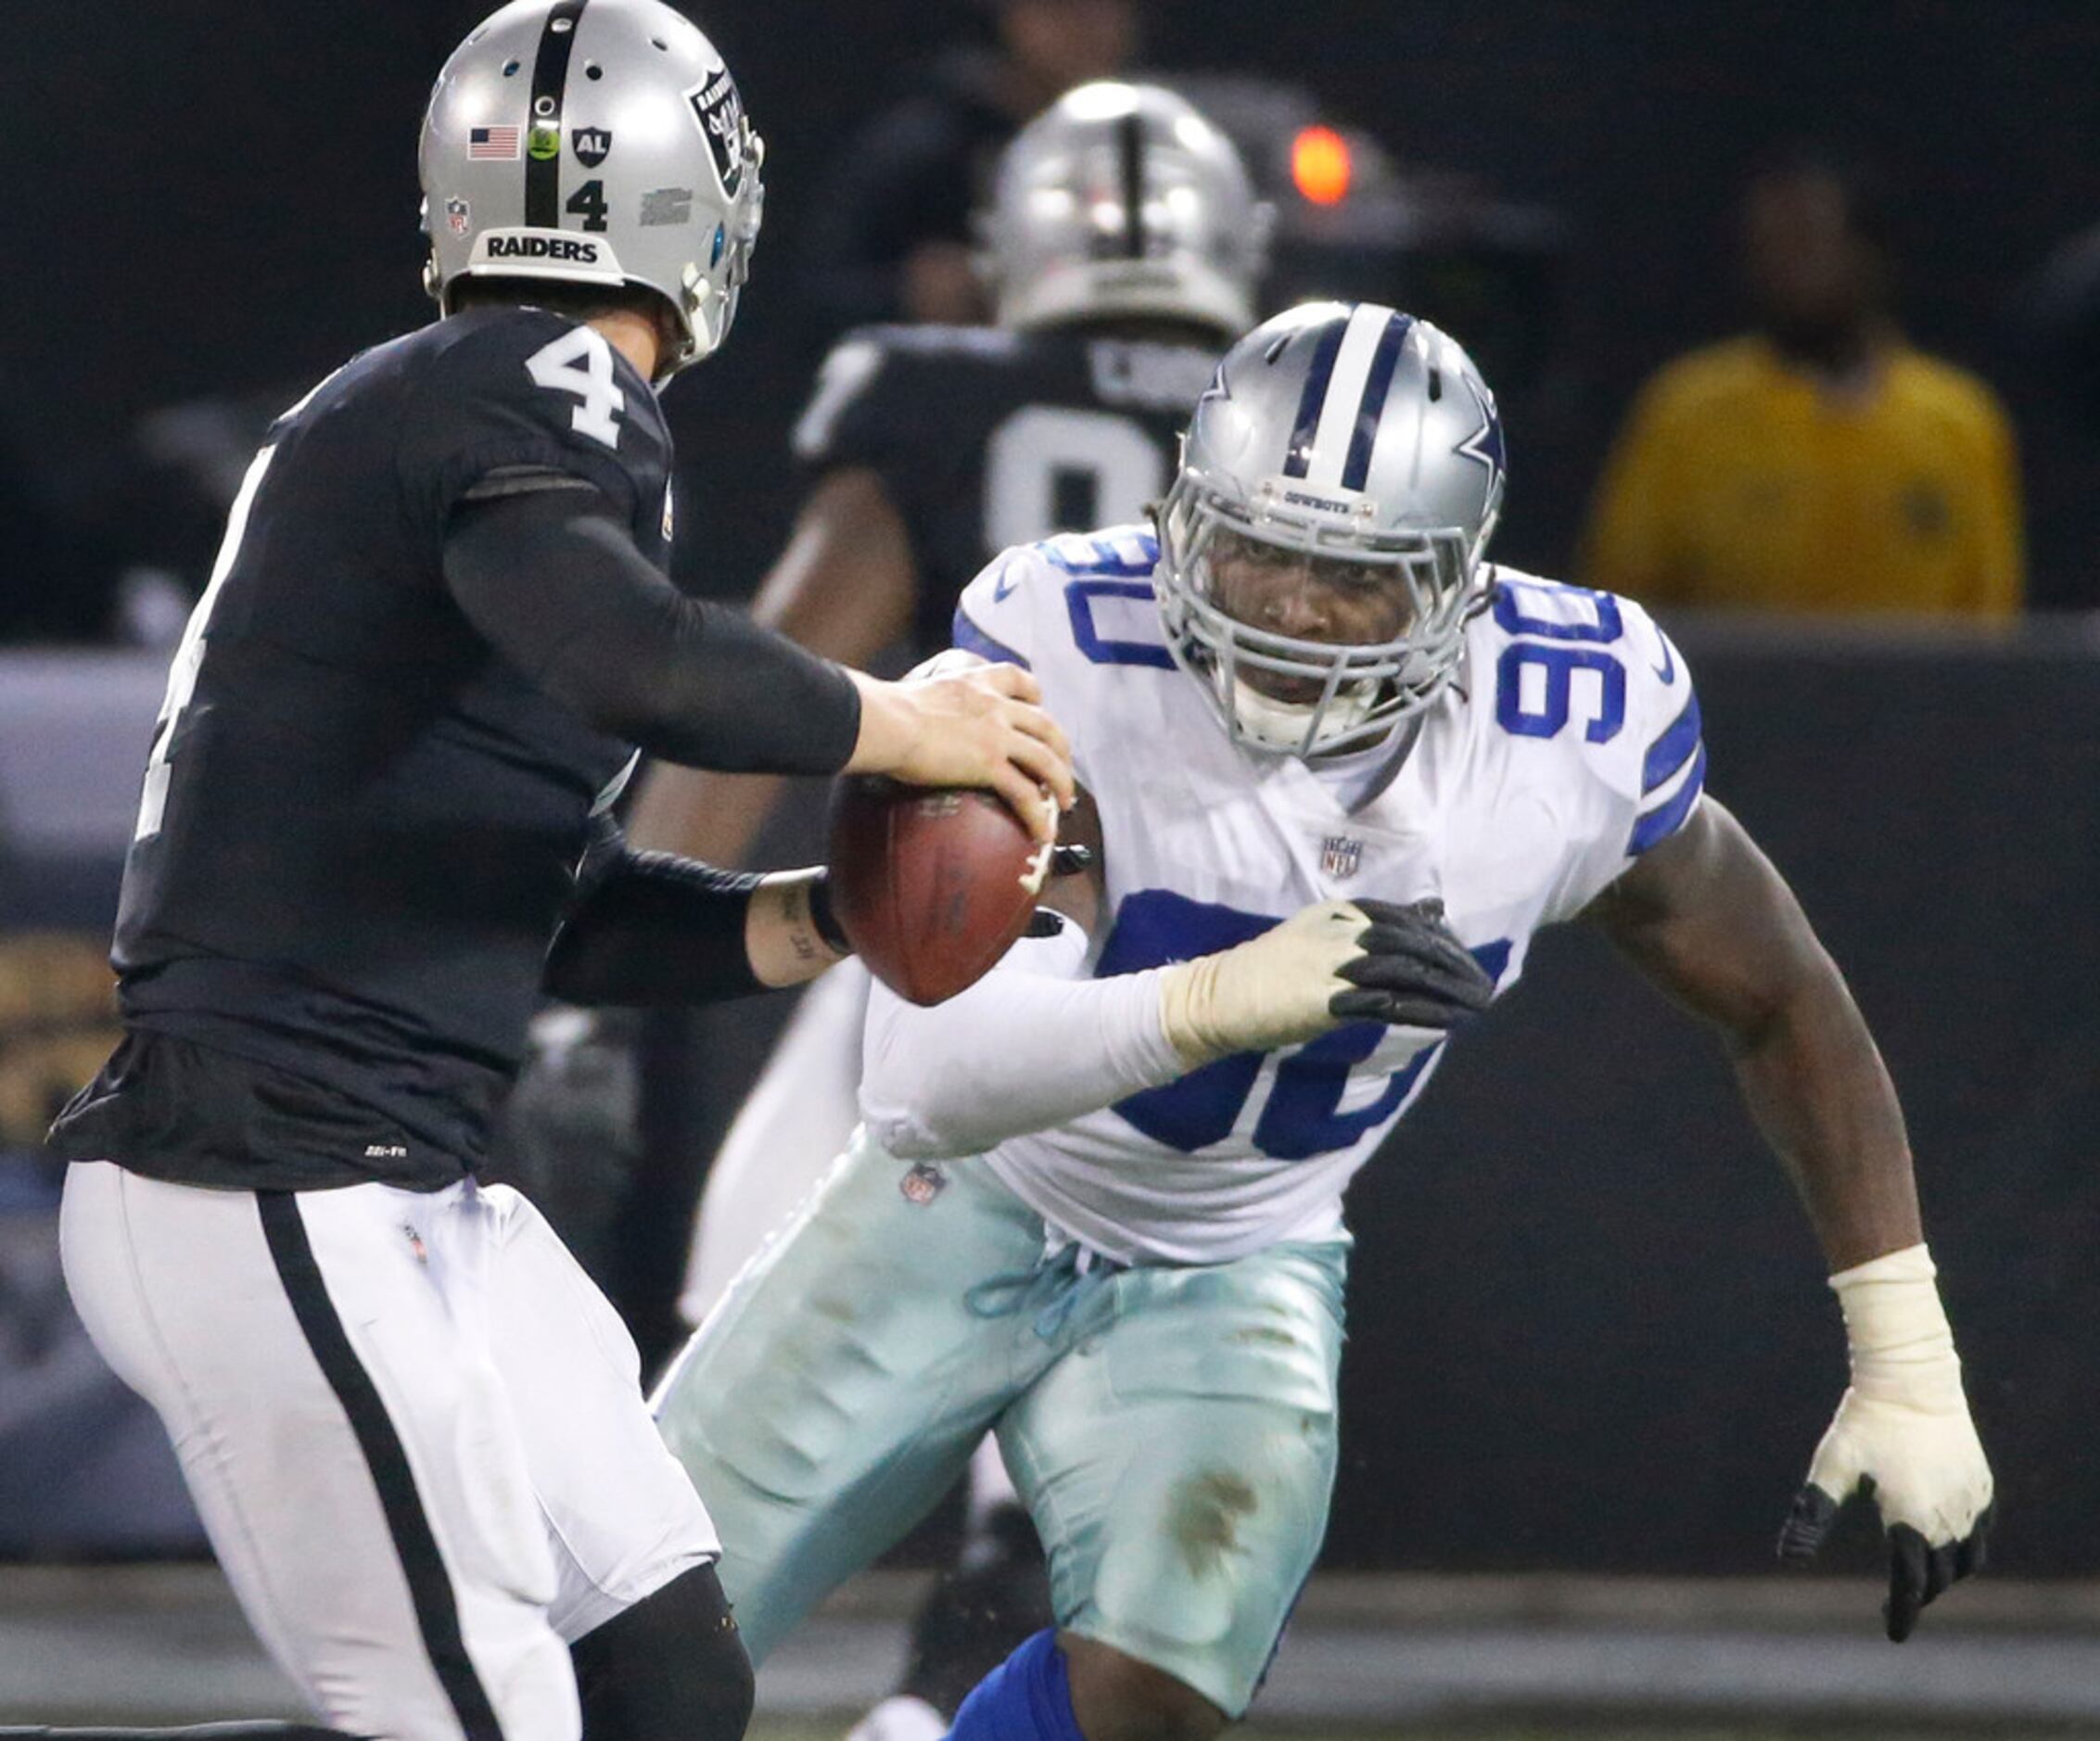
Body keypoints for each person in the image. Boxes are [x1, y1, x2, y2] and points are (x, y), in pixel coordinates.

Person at [652, 300, 1996, 1741]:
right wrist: (1230, 996)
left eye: (1348, 574)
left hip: (1237, 1251)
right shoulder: (1067, 643)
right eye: (1255, 545)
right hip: (964, 1198)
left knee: (1155, 1697)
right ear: (1182, 514)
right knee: (631, 1627)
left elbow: (1783, 998)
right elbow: (931, 1079)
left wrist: (1904, 1351)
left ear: (1457, 585)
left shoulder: (1567, 730)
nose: (1286, 602)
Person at [32, 5, 1072, 1741]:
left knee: (661, 1672)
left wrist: (818, 914)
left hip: (398, 1175)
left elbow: (550, 905)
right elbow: (639, 665)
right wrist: (905, 719)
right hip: (271, 1176)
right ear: (693, 202)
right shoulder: (539, 380)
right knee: (488, 1720)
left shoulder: (446, 417)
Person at [605, 82, 1266, 1735]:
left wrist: (592, 958)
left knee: (752, 1349)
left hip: (954, 944)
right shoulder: (1290, 428)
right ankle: (928, 1705)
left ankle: (603, 1681)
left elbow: (781, 668)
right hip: (1207, 966)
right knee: (1089, 1423)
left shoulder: (935, 396)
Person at [1581, 146, 2023, 619]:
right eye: (1767, 246)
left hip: (1915, 693)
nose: (1784, 269)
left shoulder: (1957, 420)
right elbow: (1619, 597)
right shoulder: (1687, 410)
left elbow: (1990, 611)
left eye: (1806, 243)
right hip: (1733, 691)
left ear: (1867, 253)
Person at [795, 0, 1140, 339]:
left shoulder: (1148, 147)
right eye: (1063, 8)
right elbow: (818, 294)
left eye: (1106, 7)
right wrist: (909, 295)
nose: (1087, 27)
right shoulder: (931, 144)